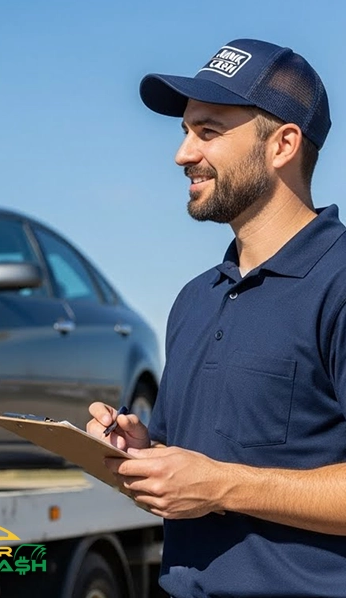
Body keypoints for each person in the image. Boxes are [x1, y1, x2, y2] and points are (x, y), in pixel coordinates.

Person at [86, 39, 346, 597]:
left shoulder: (339, 284)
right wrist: (141, 457)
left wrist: (224, 486)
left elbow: (217, 482)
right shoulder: (194, 299)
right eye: (185, 132)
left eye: (207, 132)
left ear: (282, 144)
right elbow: (195, 473)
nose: (182, 154)